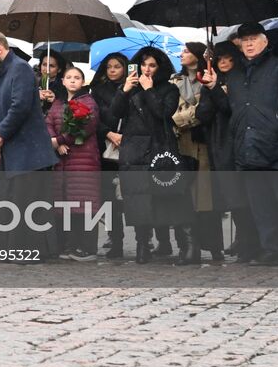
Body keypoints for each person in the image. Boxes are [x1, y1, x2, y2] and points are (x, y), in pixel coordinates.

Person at [202, 22, 278, 267]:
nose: (248, 44)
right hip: (246, 148)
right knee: (260, 204)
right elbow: (231, 109)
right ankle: (271, 249)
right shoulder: (237, 74)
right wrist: (214, 88)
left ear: (265, 41)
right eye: (244, 40)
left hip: (277, 147)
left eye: (253, 39)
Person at [110, 47, 192, 264]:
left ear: (160, 67)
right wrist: (124, 90)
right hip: (133, 150)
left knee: (169, 197)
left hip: (160, 147)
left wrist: (149, 90)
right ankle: (141, 245)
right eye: (144, 64)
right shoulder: (130, 87)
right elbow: (115, 112)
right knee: (137, 199)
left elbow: (162, 114)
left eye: (152, 65)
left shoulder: (169, 89)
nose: (147, 69)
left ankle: (185, 246)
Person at [0, 32, 58, 261]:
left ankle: (28, 250)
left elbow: (20, 106)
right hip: (15, 148)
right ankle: (12, 249)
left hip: (29, 150)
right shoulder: (2, 72)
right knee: (11, 199)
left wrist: (2, 132)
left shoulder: (20, 69)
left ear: (0, 49)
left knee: (26, 201)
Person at [198, 41, 259, 263]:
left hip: (240, 143)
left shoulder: (242, 81)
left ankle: (249, 244)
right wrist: (212, 90)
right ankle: (245, 243)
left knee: (245, 198)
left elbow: (230, 109)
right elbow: (202, 114)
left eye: (228, 59)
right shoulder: (210, 82)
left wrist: (217, 93)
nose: (223, 63)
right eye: (220, 59)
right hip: (219, 144)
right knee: (232, 197)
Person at [172, 41, 221, 264]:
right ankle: (188, 245)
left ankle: (212, 245)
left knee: (205, 198)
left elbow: (204, 110)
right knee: (184, 196)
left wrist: (180, 120)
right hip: (181, 144)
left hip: (203, 142)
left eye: (186, 51)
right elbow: (170, 109)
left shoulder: (209, 78)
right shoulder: (175, 80)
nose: (182, 54)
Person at [46, 66, 101, 260]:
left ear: (83, 82)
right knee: (65, 205)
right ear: (62, 81)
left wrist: (60, 141)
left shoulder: (88, 102)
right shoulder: (58, 103)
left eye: (77, 77)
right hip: (63, 162)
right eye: (68, 77)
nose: (72, 81)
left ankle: (86, 248)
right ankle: (68, 245)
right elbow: (49, 123)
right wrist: (55, 142)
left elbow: (85, 126)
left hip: (83, 159)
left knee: (84, 205)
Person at [90, 53, 130, 258]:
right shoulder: (97, 91)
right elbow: (93, 118)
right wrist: (108, 133)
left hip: (129, 145)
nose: (113, 70)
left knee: (130, 195)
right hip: (104, 145)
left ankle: (146, 236)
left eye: (117, 66)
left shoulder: (133, 87)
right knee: (108, 196)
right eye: (109, 67)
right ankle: (116, 239)